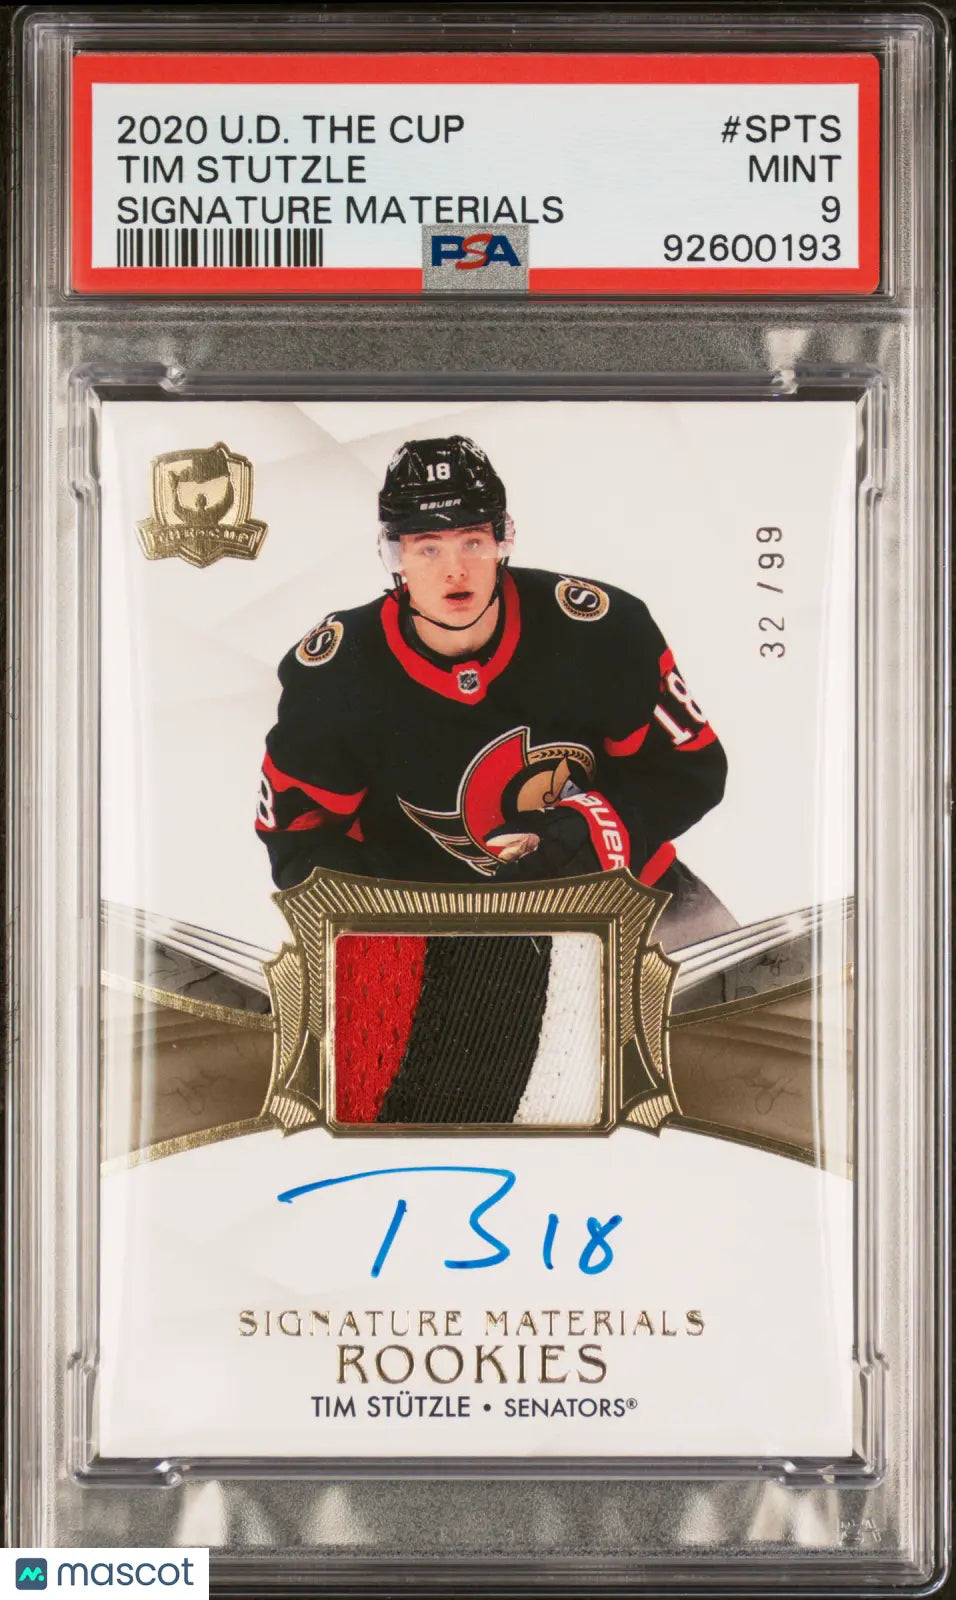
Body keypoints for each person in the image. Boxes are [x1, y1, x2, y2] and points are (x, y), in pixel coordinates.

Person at [256, 434, 734, 949]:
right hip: (444, 940)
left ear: (502, 540)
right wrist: (402, 931)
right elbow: (300, 839)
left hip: (624, 894)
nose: (454, 569)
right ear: (395, 554)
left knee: (752, 999)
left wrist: (589, 831)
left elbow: (691, 769)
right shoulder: (335, 675)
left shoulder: (601, 630)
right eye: (428, 547)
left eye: (472, 541)